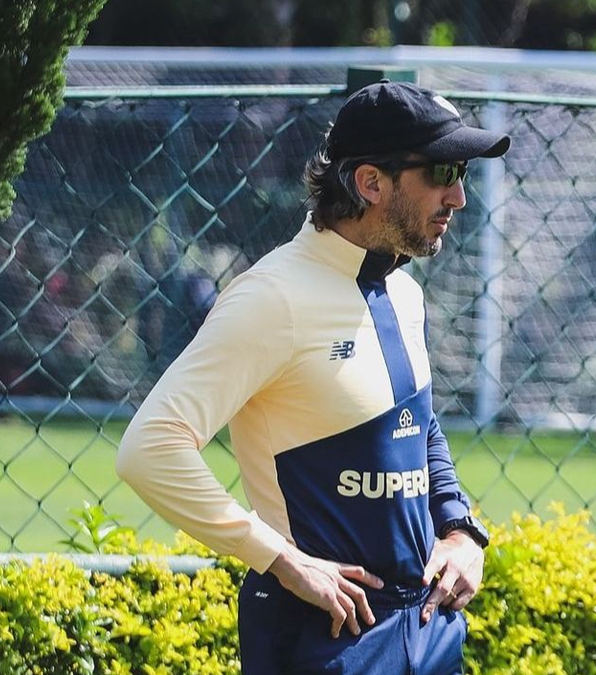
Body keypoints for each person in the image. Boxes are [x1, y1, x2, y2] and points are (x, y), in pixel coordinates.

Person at [116, 79, 509, 675]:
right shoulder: (270, 298)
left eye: (461, 173)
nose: (458, 196)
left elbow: (419, 425)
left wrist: (460, 530)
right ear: (370, 182)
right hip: (321, 637)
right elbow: (149, 448)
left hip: (428, 633)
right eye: (441, 171)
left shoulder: (403, 290)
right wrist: (279, 559)